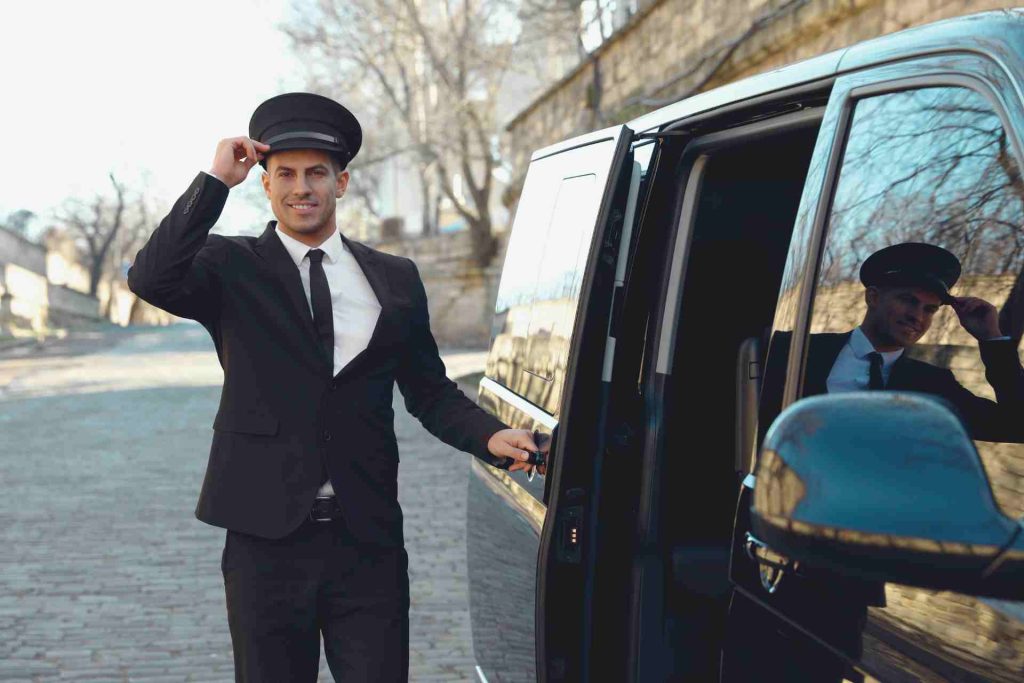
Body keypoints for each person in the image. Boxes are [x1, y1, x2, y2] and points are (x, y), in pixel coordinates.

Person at [127, 92, 537, 682]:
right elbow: (150, 275)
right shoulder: (230, 268)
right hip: (265, 541)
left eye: (316, 173)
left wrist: (490, 436)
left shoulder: (394, 279)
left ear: (340, 183)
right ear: (265, 185)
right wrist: (216, 180)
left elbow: (428, 389)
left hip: (365, 541)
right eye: (285, 173)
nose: (301, 188)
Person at [730, 241, 1024, 681]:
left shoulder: (933, 385)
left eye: (929, 309)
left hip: (847, 580)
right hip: (763, 556)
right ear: (872, 297)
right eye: (908, 299)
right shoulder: (793, 353)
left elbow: (1016, 425)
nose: (918, 317)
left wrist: (993, 341)